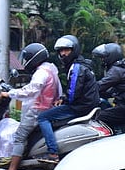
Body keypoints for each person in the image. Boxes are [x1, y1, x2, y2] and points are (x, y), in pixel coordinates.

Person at [0, 43, 62, 170]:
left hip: (38, 110)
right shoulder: (51, 70)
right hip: (47, 108)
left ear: (34, 58)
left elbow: (30, 91)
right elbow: (58, 91)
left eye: (27, 58)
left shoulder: (41, 72)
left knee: (19, 137)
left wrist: (9, 93)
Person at [35, 34, 100, 163]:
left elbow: (73, 93)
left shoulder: (76, 67)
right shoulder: (84, 64)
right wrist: (63, 98)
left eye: (66, 50)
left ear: (74, 50)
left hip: (79, 107)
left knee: (43, 118)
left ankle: (52, 152)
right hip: (87, 104)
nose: (63, 54)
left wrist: (64, 100)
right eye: (61, 51)